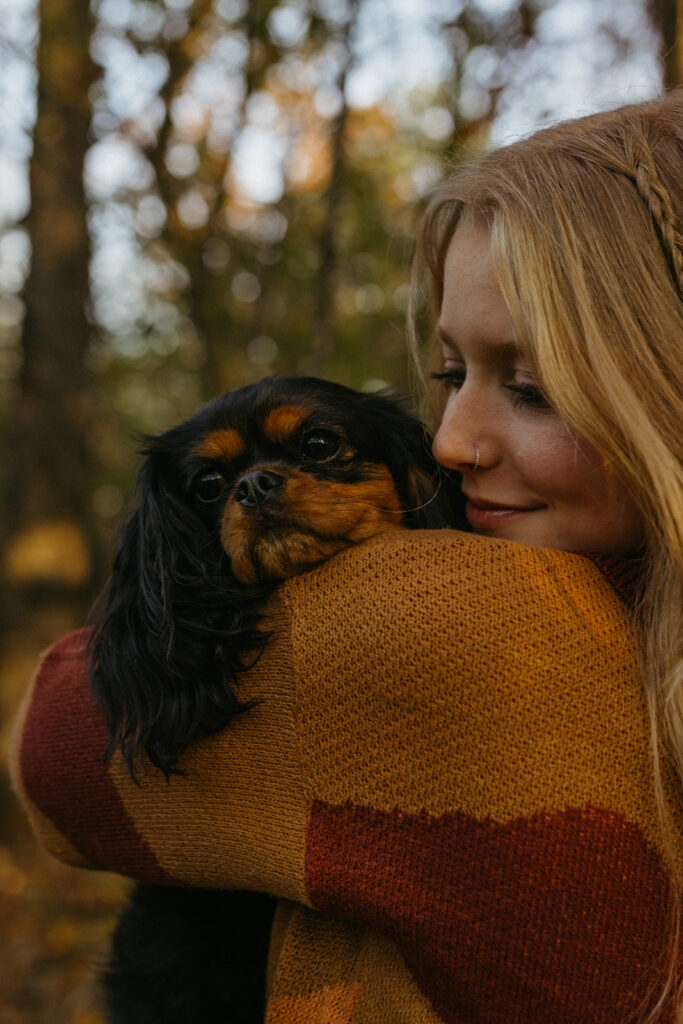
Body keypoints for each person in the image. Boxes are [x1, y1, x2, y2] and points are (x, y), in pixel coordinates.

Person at [10, 91, 683, 1023]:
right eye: (450, 375)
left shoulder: (452, 620)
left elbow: (54, 750)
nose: (451, 442)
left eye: (529, 388)